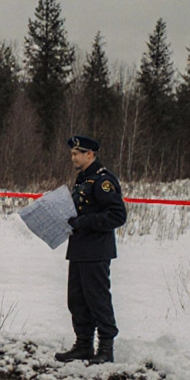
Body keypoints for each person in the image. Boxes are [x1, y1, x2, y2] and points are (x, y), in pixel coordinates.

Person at [55, 135, 127, 364]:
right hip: (79, 248)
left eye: (77, 153)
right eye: (72, 154)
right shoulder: (82, 179)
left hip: (96, 250)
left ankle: (105, 348)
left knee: (98, 299)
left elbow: (117, 215)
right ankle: (83, 344)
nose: (73, 158)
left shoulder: (103, 180)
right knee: (77, 299)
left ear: (90, 154)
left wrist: (85, 222)